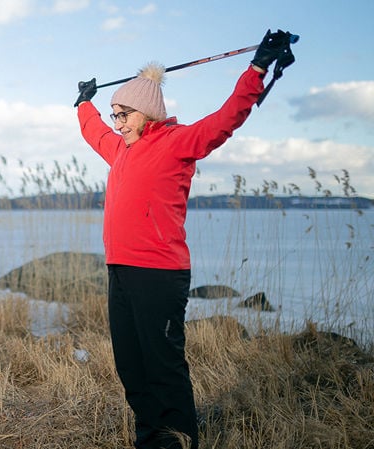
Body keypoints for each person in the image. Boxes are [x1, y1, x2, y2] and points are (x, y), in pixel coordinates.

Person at [74, 30, 295, 449]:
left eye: (123, 115)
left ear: (146, 113)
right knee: (130, 364)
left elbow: (225, 120)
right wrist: (85, 103)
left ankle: (178, 438)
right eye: (115, 115)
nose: (117, 123)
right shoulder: (120, 150)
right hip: (120, 269)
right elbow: (94, 133)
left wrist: (257, 68)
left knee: (162, 364)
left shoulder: (178, 143)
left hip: (159, 273)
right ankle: (150, 437)